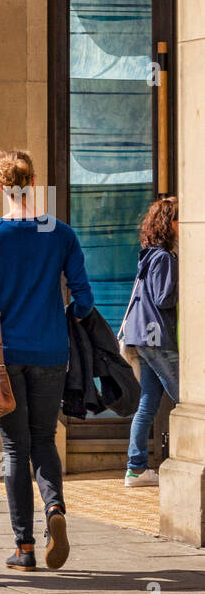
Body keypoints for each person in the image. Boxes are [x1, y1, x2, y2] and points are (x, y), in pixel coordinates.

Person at [0, 150, 94, 573]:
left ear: (0, 187)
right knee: (43, 439)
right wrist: (63, 317)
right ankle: (54, 506)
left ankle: (25, 547)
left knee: (15, 447)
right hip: (52, 353)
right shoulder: (62, 234)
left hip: (4, 359)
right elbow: (84, 300)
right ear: (34, 181)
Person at [122, 196, 180, 487]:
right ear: (169, 224)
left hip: (142, 337)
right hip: (156, 339)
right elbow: (163, 297)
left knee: (148, 403)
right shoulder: (164, 258)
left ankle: (136, 469)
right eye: (179, 219)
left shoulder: (148, 255)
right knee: (189, 398)